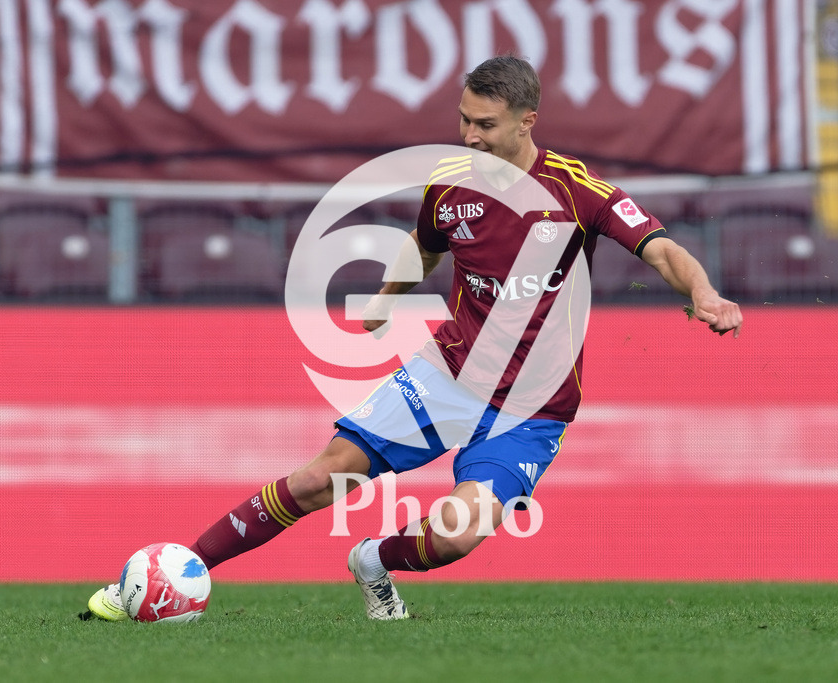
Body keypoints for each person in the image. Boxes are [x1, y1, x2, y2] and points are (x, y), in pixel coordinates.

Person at [83, 54, 742, 622]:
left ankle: (370, 558)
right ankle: (174, 569)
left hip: (530, 407)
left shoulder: (575, 190)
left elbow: (660, 249)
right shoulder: (450, 182)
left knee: (455, 537)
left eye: (485, 124)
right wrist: (385, 297)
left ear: (525, 122)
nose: (470, 135)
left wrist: (703, 293)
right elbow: (423, 248)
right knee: (321, 478)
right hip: (447, 373)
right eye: (463, 120)